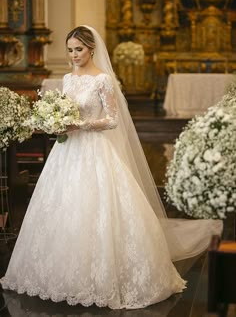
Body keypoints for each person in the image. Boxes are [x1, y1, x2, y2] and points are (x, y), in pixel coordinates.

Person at [0, 26, 222, 309]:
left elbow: (113, 120)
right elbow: (60, 109)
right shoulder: (67, 79)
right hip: (67, 152)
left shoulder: (102, 80)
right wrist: (52, 123)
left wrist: (81, 124)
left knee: (100, 208)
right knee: (63, 208)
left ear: (91, 49)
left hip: (94, 150)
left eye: (78, 49)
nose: (74, 55)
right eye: (70, 50)